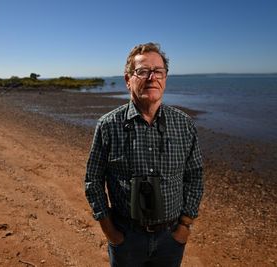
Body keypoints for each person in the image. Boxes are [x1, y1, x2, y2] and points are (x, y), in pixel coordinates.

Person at [84, 42, 204, 267]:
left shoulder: (184, 124)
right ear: (128, 80)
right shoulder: (108, 125)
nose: (152, 77)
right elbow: (93, 180)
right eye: (142, 71)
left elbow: (195, 176)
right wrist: (110, 231)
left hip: (171, 238)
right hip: (126, 237)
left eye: (158, 71)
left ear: (165, 78)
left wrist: (185, 226)